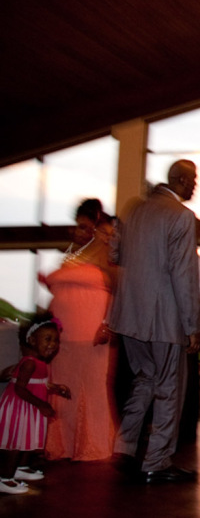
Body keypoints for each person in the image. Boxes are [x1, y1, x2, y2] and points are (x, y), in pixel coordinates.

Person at [108, 160, 200, 484]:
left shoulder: (133, 211)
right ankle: (157, 461)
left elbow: (115, 255)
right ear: (179, 180)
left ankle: (124, 445)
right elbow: (183, 275)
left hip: (129, 315)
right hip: (164, 319)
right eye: (193, 180)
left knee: (143, 380)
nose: (195, 186)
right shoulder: (181, 217)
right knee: (168, 390)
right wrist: (192, 325)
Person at [42, 201, 119, 461]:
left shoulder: (106, 251)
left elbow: (118, 290)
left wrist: (108, 323)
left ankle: (91, 444)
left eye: (85, 226)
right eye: (78, 226)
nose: (79, 231)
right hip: (62, 331)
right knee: (64, 386)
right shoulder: (72, 254)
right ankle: (62, 443)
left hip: (91, 331)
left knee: (92, 387)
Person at [0, 314, 70, 494]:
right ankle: (4, 478)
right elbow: (20, 389)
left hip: (28, 407)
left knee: (26, 441)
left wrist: (55, 387)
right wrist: (41, 404)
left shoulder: (40, 363)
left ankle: (21, 468)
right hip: (19, 407)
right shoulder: (29, 363)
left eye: (55, 340)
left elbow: (39, 384)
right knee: (15, 444)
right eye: (47, 339)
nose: (52, 344)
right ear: (32, 340)